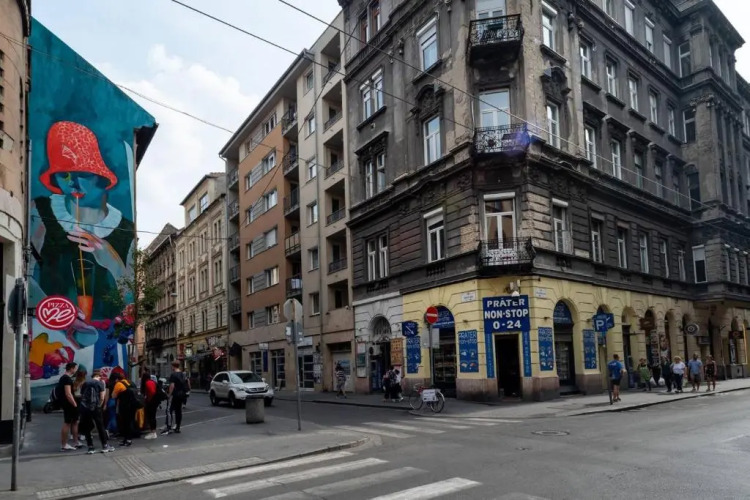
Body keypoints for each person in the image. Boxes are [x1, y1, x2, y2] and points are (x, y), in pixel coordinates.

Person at [79, 369, 115, 454]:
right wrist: (100, 405)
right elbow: (102, 397)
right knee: (100, 426)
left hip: (85, 408)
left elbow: (82, 395)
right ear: (98, 376)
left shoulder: (85, 383)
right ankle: (105, 446)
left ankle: (90, 447)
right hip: (96, 407)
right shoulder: (100, 383)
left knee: (87, 427)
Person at [58, 362, 82, 451]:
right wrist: (74, 404)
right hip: (69, 404)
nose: (75, 370)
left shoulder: (63, 378)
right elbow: (68, 393)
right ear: (71, 368)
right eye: (75, 368)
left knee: (74, 421)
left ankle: (76, 442)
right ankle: (64, 444)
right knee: (68, 422)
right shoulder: (67, 379)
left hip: (67, 403)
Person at [112, 373, 136, 447]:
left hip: (124, 406)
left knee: (125, 423)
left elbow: (113, 396)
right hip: (132, 405)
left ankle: (126, 439)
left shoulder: (118, 384)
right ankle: (128, 439)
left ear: (117, 379)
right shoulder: (128, 382)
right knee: (129, 422)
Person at [167, 361, 190, 434]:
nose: (171, 367)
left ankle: (170, 426)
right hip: (182, 394)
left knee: (170, 410)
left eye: (172, 366)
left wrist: (169, 395)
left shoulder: (173, 374)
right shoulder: (183, 374)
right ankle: (178, 427)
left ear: (173, 366)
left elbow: (172, 386)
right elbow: (188, 382)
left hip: (175, 394)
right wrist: (188, 390)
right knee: (178, 411)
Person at [141, 369, 159, 440]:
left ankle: (153, 432)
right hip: (154, 401)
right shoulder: (151, 382)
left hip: (152, 402)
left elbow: (152, 392)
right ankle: (152, 431)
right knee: (152, 416)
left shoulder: (148, 383)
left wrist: (148, 399)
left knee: (151, 416)